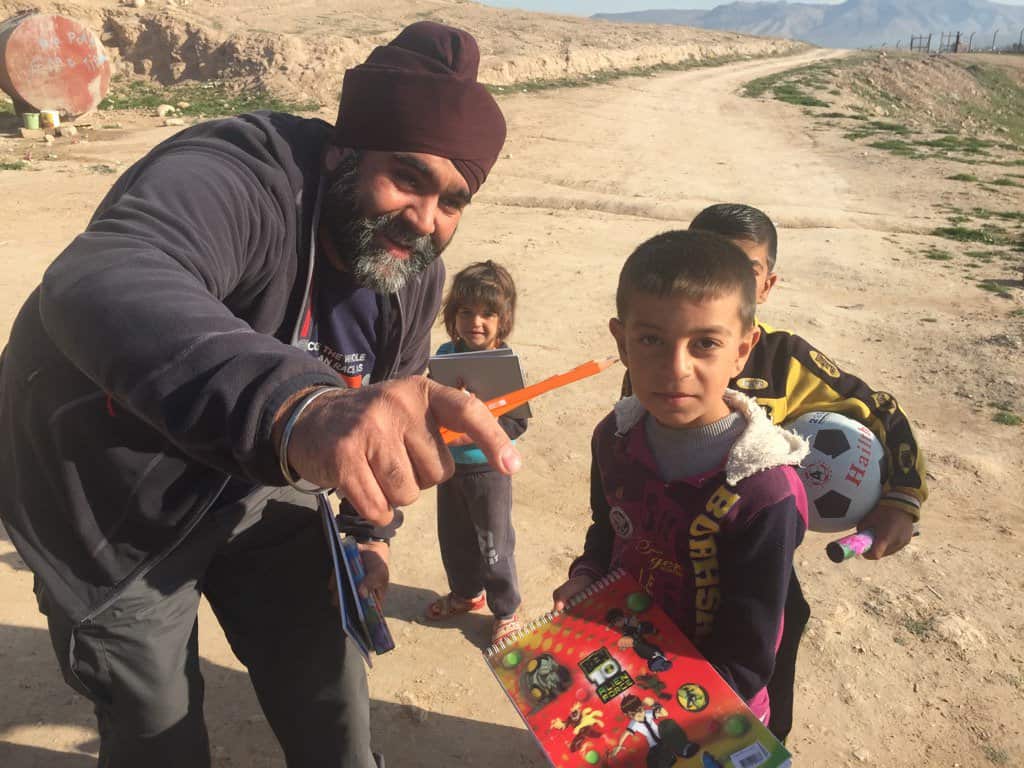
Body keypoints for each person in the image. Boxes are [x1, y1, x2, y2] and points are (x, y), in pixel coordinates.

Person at [0, 21, 519, 768]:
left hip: (262, 485)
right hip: (113, 506)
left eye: (452, 200)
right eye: (407, 178)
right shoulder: (241, 173)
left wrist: (370, 534)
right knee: (157, 731)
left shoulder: (411, 274)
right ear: (345, 150)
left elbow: (386, 408)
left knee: (332, 695)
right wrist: (299, 407)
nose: (425, 219)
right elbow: (105, 275)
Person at [684, 202, 928, 742]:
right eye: (706, 260)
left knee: (756, 697)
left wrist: (900, 499)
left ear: (767, 285)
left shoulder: (785, 359)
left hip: (757, 567)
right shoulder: (659, 349)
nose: (721, 277)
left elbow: (882, 408)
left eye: (742, 269)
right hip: (664, 554)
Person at [552, 230, 810, 727]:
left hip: (709, 708)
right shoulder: (614, 439)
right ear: (621, 341)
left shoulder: (763, 490)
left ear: (743, 349)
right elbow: (607, 527)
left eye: (705, 344)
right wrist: (586, 573)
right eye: (651, 339)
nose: (676, 368)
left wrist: (679, 716)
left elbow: (751, 649)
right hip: (623, 672)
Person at [423, 260, 527, 643]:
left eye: (488, 314)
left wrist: (479, 428)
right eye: (466, 312)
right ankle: (466, 594)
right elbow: (429, 405)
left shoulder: (504, 366)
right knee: (453, 537)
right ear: (453, 315)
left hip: (489, 471)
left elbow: (518, 422)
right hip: (450, 468)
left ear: (504, 320)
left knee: (494, 542)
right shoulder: (445, 355)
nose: (476, 322)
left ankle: (506, 610)